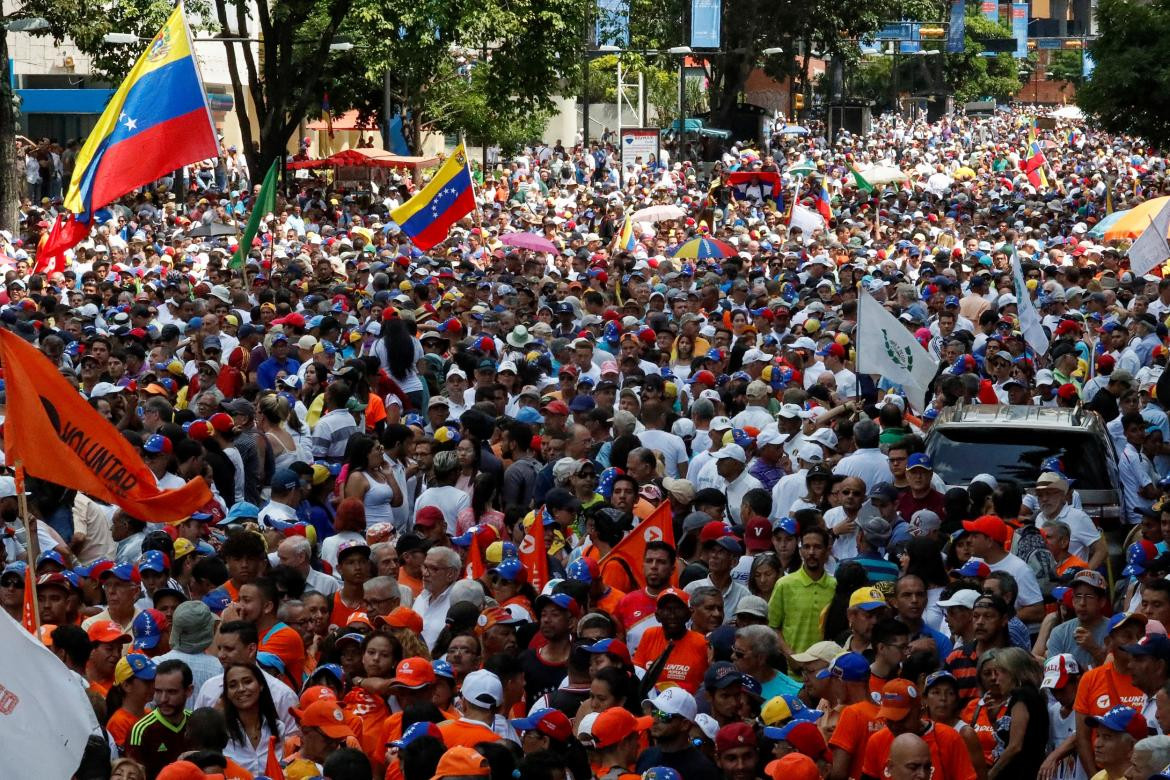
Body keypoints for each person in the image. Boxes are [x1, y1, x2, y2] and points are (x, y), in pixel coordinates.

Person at [860, 679, 977, 780]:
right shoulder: (877, 741)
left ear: (920, 712)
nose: (895, 725)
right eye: (889, 719)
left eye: (901, 719)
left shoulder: (949, 738)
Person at [769, 526, 837, 660]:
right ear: (801, 551)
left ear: (827, 550)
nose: (811, 552)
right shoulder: (784, 584)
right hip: (792, 671)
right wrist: (790, 655)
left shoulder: (834, 586)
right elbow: (773, 627)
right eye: (806, 547)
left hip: (824, 670)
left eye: (817, 547)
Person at [633, 588, 710, 694]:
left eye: (678, 609)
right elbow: (637, 674)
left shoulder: (702, 643)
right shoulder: (649, 635)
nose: (672, 615)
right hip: (652, 705)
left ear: (689, 614)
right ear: (657, 616)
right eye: (666, 609)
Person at [634, 686, 721, 780]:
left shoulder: (702, 770)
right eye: (655, 712)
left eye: (664, 715)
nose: (654, 720)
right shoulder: (646, 756)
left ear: (685, 724)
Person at [1085, 707, 1147, 780]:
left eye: (1107, 737)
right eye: (1098, 735)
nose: (1097, 744)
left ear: (1132, 747)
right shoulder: (1098, 777)